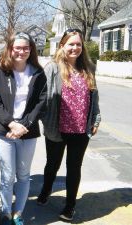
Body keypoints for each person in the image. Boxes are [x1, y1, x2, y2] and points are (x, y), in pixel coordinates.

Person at [37, 28, 101, 222]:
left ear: (83, 47)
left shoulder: (88, 68)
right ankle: (46, 190)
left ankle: (70, 206)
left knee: (74, 168)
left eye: (78, 44)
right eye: (71, 44)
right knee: (52, 165)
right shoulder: (53, 68)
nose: (75, 48)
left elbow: (94, 97)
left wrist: (96, 119)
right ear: (62, 45)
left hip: (81, 129)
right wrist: (44, 120)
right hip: (57, 128)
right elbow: (42, 97)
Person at [0, 32, 47, 225]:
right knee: (7, 175)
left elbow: (42, 102)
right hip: (4, 130)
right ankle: (6, 213)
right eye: (18, 47)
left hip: (27, 131)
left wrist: (24, 125)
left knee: (23, 175)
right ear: (10, 49)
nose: (21, 51)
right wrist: (12, 123)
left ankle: (18, 214)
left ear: (30, 49)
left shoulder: (38, 73)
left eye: (26, 48)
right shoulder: (1, 70)